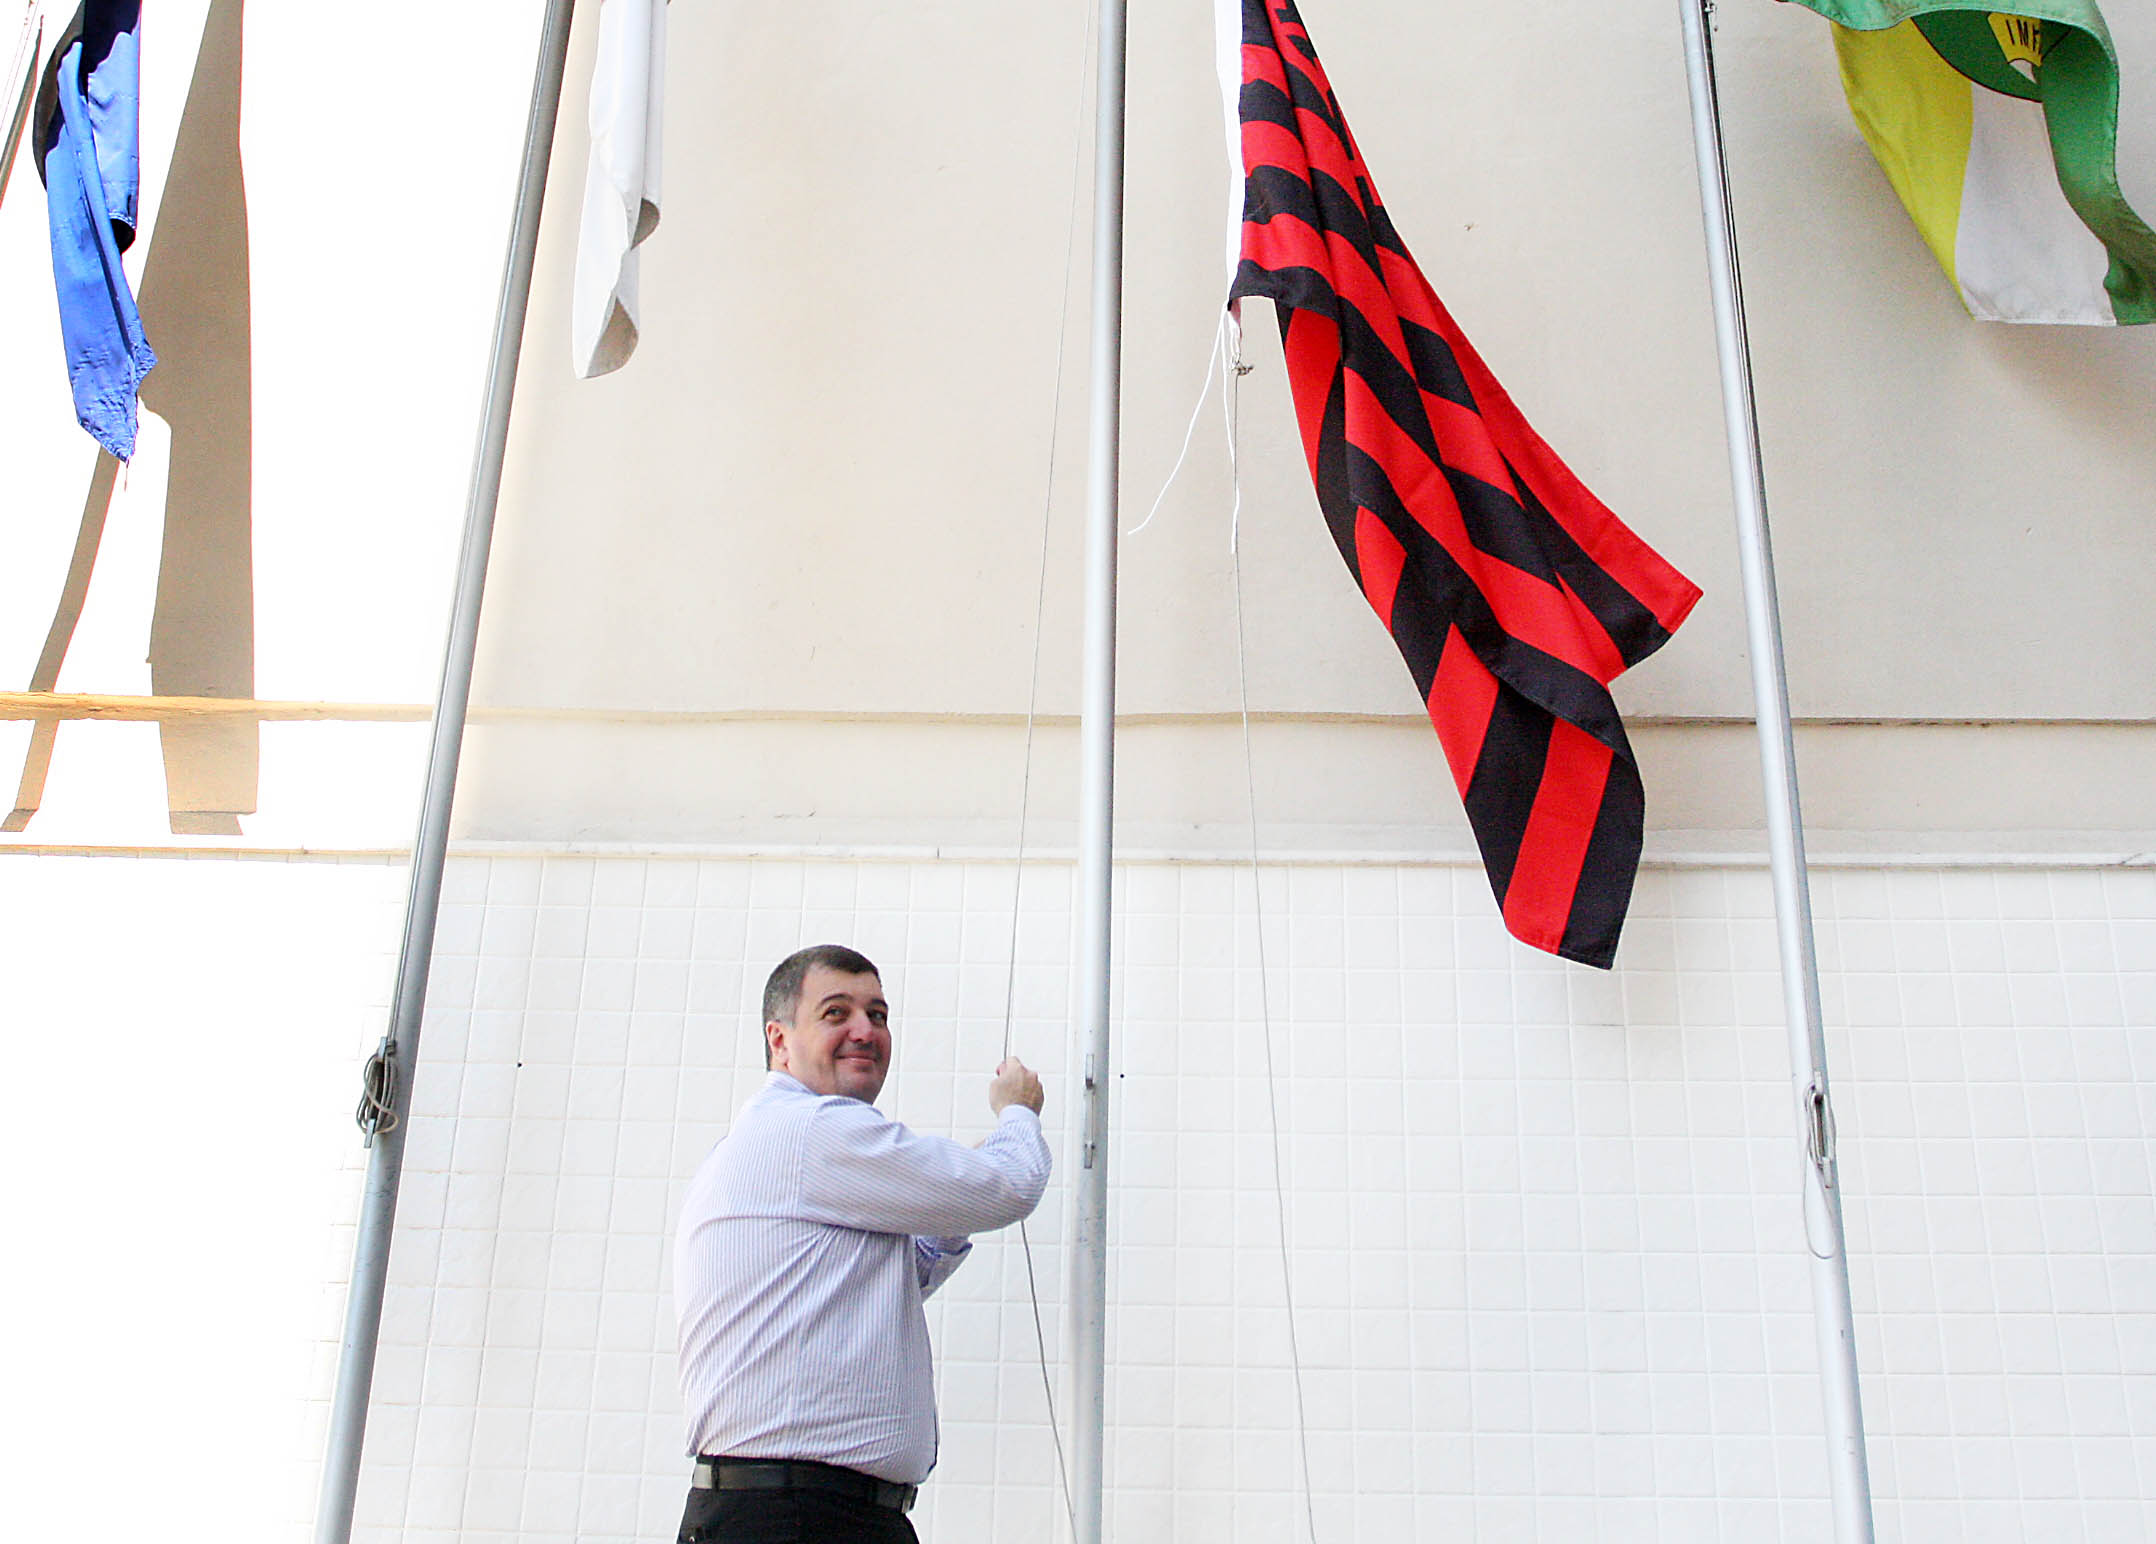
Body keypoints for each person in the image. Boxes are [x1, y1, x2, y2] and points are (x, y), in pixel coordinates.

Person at [674, 943, 1050, 1543]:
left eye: (877, 1014)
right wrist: (1017, 1115)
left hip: (798, 1512)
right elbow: (1011, 1186)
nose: (864, 1031)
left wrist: (948, 1205)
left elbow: (885, 1276)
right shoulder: (813, 1129)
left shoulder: (779, 1143)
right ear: (779, 1039)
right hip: (802, 1516)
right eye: (835, 1013)